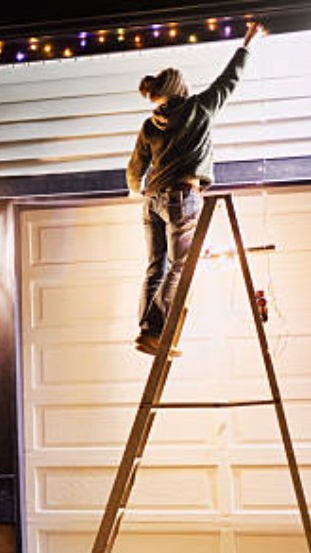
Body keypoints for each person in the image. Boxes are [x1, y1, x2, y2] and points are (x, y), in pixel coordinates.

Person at [128, 22, 261, 356]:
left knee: (154, 266)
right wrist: (246, 43)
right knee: (181, 265)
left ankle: (147, 330)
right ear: (181, 89)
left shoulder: (150, 124)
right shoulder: (199, 109)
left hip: (151, 201)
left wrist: (135, 190)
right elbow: (229, 80)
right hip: (180, 197)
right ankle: (156, 330)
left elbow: (135, 168)